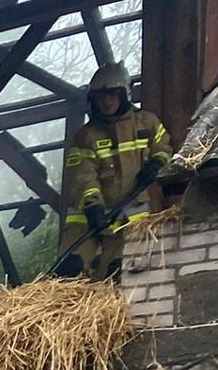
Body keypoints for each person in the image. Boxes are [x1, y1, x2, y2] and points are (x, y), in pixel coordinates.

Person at [57, 63, 174, 280]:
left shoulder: (147, 123)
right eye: (101, 96)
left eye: (112, 94)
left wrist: (157, 163)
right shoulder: (86, 136)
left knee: (118, 275)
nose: (106, 101)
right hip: (92, 221)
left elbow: (165, 147)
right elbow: (83, 175)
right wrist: (93, 206)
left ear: (125, 93)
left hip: (133, 222)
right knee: (69, 273)